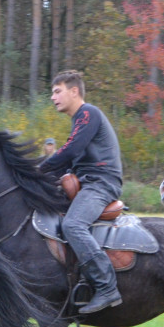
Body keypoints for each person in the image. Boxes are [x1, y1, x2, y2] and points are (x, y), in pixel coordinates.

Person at [40, 70, 124, 314]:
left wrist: (38, 170)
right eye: (52, 93)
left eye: (57, 91)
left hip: (101, 183)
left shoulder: (88, 113)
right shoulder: (79, 120)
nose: (53, 97)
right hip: (87, 182)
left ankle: (107, 287)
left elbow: (68, 150)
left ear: (74, 91)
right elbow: (68, 161)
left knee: (73, 225)